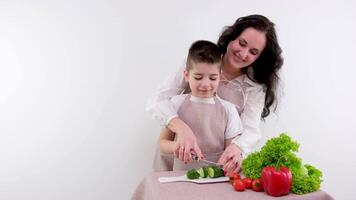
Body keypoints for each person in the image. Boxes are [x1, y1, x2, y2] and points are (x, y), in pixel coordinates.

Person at [146, 14, 283, 174]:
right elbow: (158, 100)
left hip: (215, 165)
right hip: (177, 161)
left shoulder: (254, 88)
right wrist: (181, 128)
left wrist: (236, 147)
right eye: (242, 43)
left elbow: (250, 130)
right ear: (232, 37)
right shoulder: (199, 60)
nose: (243, 54)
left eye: (253, 52)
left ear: (260, 57)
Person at [157, 40, 243, 171]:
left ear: (220, 77)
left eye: (213, 78)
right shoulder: (175, 103)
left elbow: (230, 150)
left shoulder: (229, 110)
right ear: (186, 75)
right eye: (198, 77)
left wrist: (232, 162)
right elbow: (162, 144)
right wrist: (178, 147)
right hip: (180, 175)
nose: (205, 85)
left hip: (215, 179)